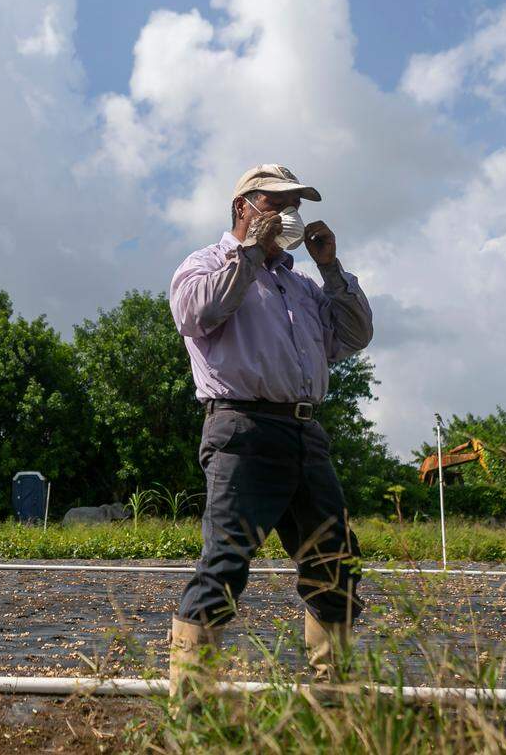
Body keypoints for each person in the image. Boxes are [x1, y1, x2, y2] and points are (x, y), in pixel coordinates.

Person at [167, 164, 374, 696]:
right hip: (242, 429)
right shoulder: (206, 265)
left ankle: (332, 695)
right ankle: (191, 706)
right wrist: (252, 254)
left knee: (334, 563)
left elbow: (354, 335)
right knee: (226, 561)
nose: (287, 216)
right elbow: (198, 312)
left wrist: (330, 267)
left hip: (305, 434)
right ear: (243, 208)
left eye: (293, 205)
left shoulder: (302, 286)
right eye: (274, 203)